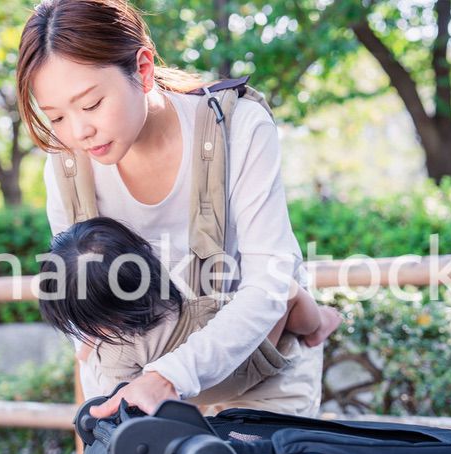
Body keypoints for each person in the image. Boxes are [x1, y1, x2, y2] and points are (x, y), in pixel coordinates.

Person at [16, 0, 328, 417]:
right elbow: (85, 309)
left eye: (90, 105)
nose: (78, 132)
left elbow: (269, 283)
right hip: (138, 380)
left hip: (255, 367)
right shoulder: (67, 168)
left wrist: (169, 376)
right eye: (55, 117)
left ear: (142, 69)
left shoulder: (237, 128)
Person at [38, 218, 341, 402]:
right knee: (284, 291)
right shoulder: (173, 300)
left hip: (198, 395)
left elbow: (115, 396)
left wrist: (89, 348)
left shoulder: (113, 355)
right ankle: (319, 326)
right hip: (242, 364)